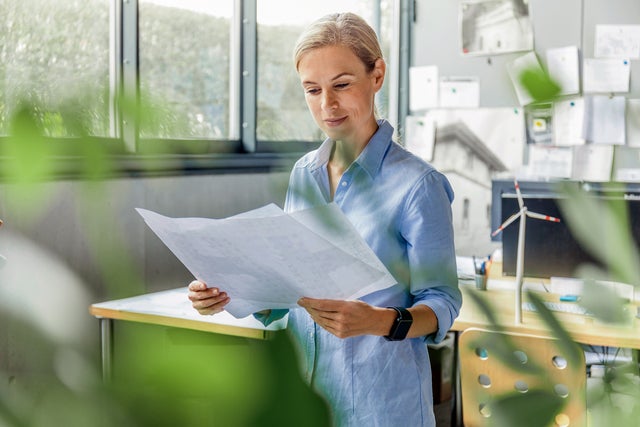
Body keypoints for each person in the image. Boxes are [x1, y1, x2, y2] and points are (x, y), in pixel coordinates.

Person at [188, 12, 461, 426]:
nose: (326, 105)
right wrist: (227, 291)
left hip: (381, 407)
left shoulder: (418, 185)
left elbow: (442, 302)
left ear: (377, 75)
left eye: (341, 85)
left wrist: (379, 320)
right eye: (312, 90)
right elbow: (287, 288)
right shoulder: (304, 173)